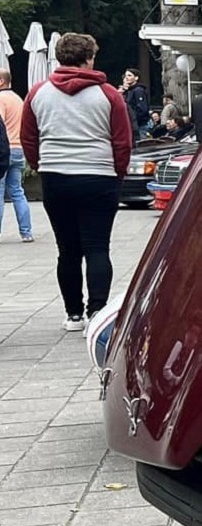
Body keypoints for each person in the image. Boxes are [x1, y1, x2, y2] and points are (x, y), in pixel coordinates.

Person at [21, 33, 132, 330]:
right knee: (98, 247)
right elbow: (122, 141)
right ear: (89, 58)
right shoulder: (109, 94)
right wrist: (118, 173)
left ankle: (73, 314)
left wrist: (41, 166)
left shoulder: (38, 93)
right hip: (99, 175)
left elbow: (29, 137)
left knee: (67, 250)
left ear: (60, 58)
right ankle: (97, 312)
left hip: (56, 176)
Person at [0, 71, 33, 242]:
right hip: (19, 149)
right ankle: (26, 232)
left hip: (3, 150)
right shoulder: (18, 99)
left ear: (1, 81)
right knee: (17, 191)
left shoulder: (0, 99)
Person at [120, 69, 150, 137]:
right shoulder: (129, 91)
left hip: (140, 126)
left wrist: (133, 120)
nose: (126, 77)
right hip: (133, 125)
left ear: (136, 78)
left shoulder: (138, 91)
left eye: (129, 75)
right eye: (125, 76)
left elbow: (142, 109)